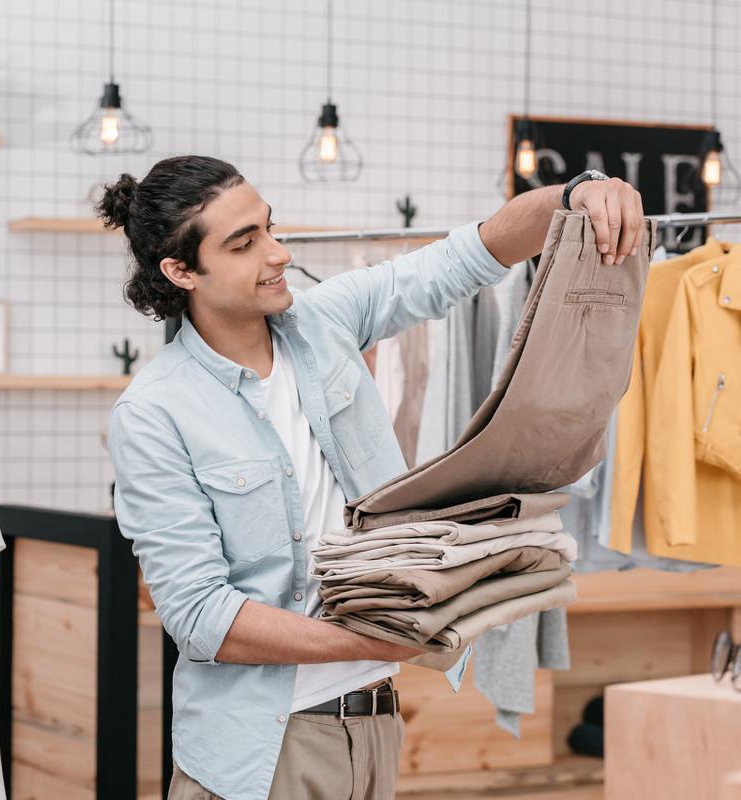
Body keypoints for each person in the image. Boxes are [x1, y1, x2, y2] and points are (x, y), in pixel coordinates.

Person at [103, 156, 644, 800]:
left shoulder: (325, 324)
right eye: (244, 244)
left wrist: (577, 194)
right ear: (181, 270)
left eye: (270, 228)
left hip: (375, 724)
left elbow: (469, 254)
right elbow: (202, 617)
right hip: (259, 753)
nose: (277, 254)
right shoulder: (154, 412)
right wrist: (382, 636)